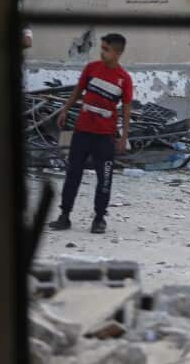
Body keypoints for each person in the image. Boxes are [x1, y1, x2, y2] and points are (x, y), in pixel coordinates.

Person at [48, 33, 133, 234]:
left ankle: (99, 219)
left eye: (106, 49)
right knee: (72, 175)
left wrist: (123, 137)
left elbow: (127, 109)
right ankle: (65, 215)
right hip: (82, 132)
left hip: (105, 137)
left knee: (105, 178)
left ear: (118, 52)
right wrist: (65, 109)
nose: (101, 53)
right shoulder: (91, 69)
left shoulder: (124, 79)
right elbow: (78, 91)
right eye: (101, 48)